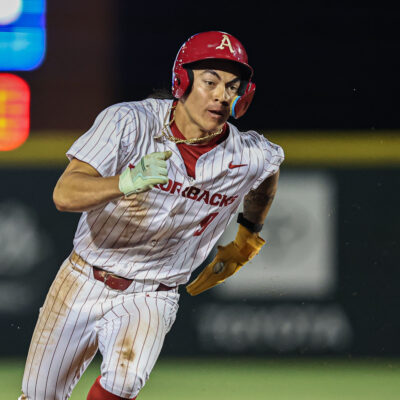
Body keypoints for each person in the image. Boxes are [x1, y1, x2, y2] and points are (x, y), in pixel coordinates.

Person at [19, 31, 284, 400]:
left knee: (125, 381)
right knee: (39, 396)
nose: (223, 95)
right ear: (184, 81)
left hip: (153, 293)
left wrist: (247, 235)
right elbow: (64, 195)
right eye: (210, 82)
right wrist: (124, 181)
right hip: (83, 277)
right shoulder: (129, 121)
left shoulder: (249, 154)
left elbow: (268, 174)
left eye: (233, 85)